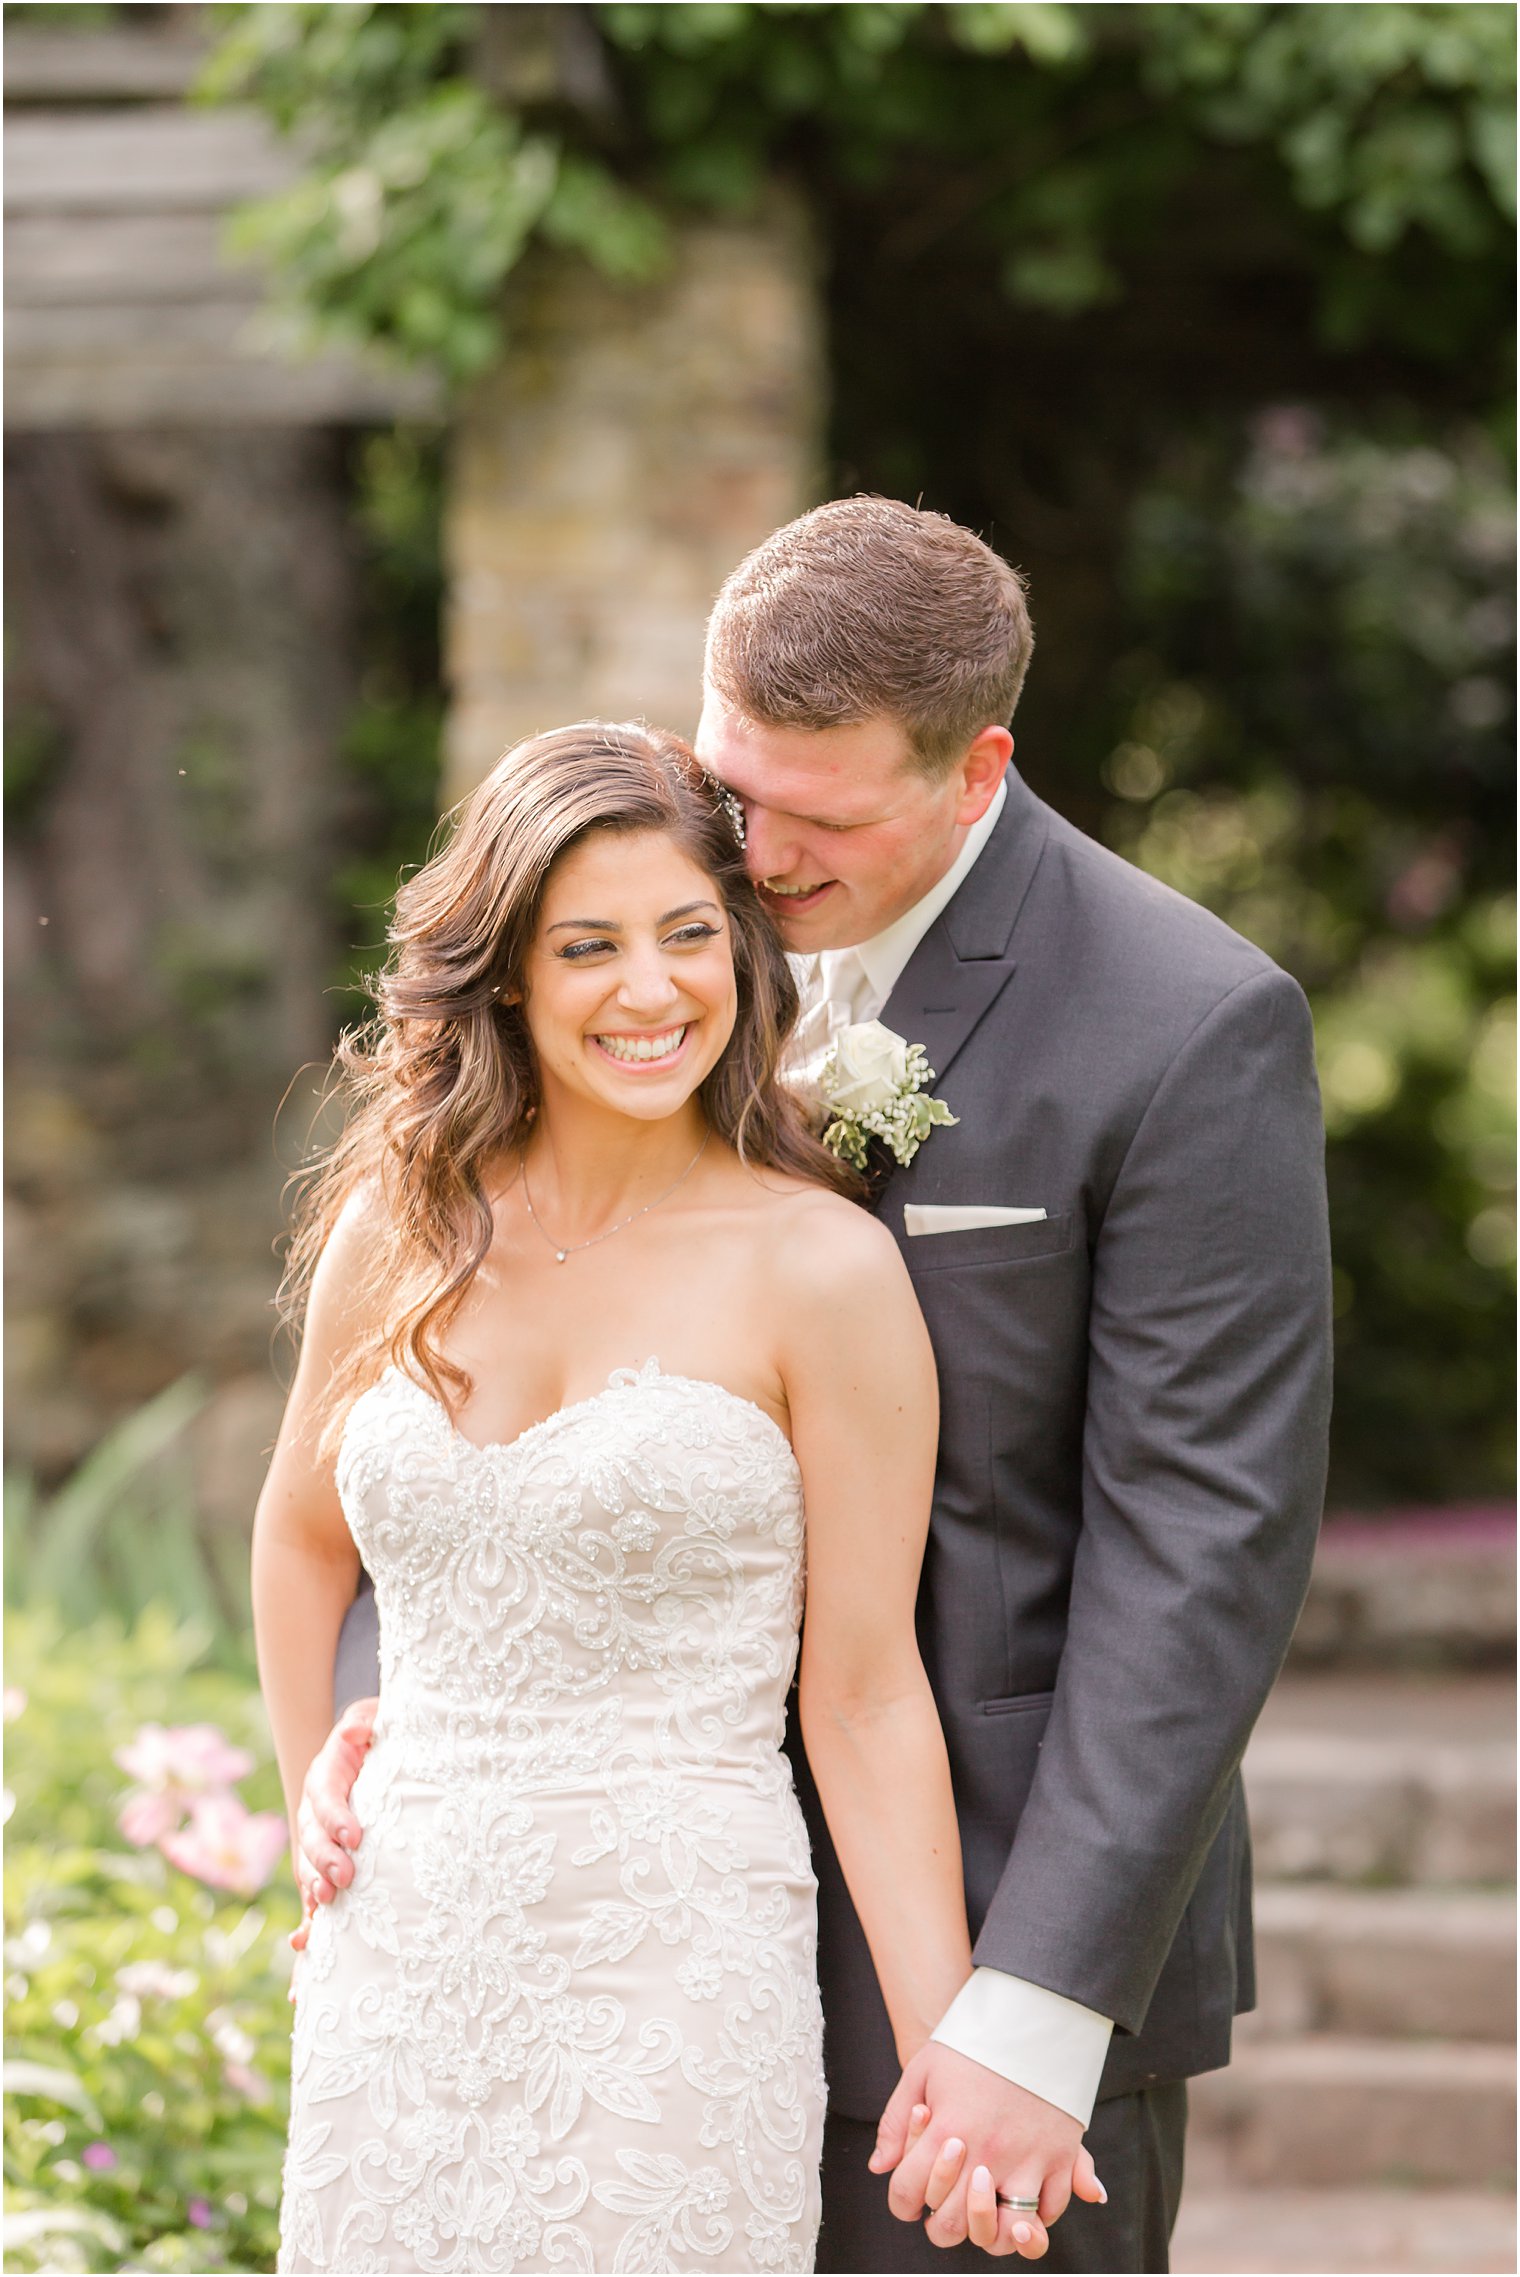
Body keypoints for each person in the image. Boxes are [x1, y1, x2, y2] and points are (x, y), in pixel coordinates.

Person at [304, 499, 1333, 2273]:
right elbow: (451, 1413)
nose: (757, 857)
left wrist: (1033, 2006)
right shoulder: (660, 927)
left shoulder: (1184, 1028)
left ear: (974, 766)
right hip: (592, 1945)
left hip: (989, 1969)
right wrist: (409, 1697)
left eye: (823, 815)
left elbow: (1205, 1550)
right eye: (733, 781)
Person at [257, 720, 1102, 2275]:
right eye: (589, 945)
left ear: (742, 950)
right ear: (507, 969)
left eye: (689, 935)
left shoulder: (821, 1268)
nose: (651, 990)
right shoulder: (402, 1223)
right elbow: (301, 1535)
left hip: (676, 1975)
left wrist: (953, 2057)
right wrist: (314, 1789)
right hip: (403, 1962)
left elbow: (861, 1691)